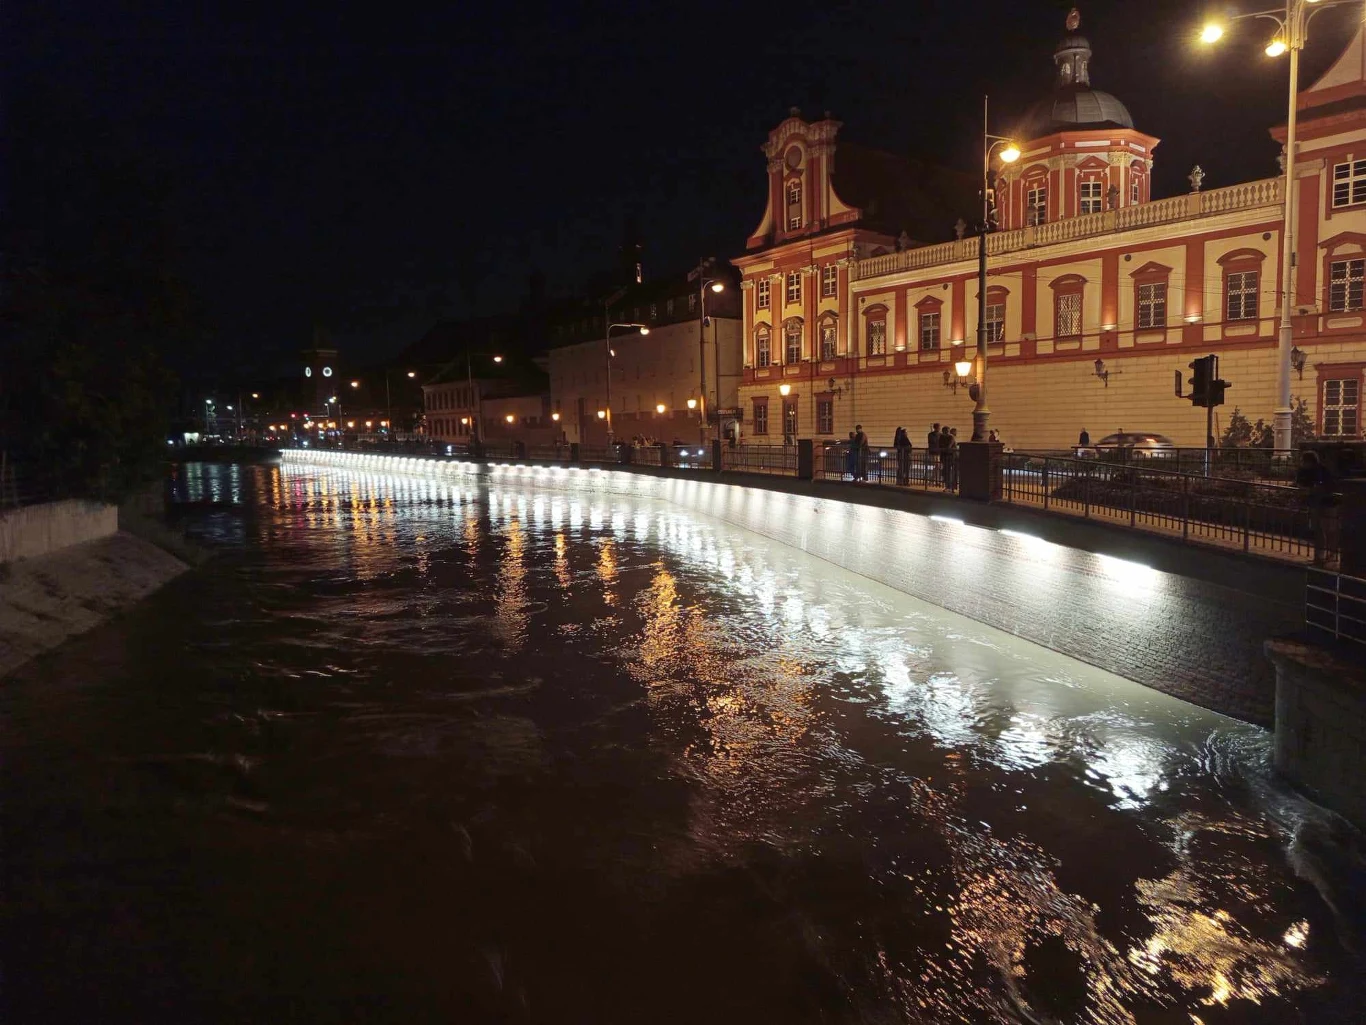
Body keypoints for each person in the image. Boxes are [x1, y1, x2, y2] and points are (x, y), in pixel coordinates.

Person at [1296, 450, 1339, 566]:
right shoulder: (1306, 472)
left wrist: (1312, 490)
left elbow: (1326, 486)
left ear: (1309, 461)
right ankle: (1320, 555)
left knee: (1328, 530)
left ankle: (1331, 554)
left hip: (1327, 503)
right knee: (1319, 530)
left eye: (1303, 461)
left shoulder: (1321, 471)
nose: (1301, 463)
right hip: (1316, 503)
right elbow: (1300, 484)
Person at [940, 425, 956, 490]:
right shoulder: (942, 437)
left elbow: (948, 446)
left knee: (950, 471)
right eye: (945, 431)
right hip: (946, 455)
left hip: (951, 455)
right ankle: (948, 486)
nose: (946, 432)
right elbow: (940, 445)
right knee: (947, 471)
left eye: (947, 431)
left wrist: (944, 447)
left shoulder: (951, 437)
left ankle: (951, 486)